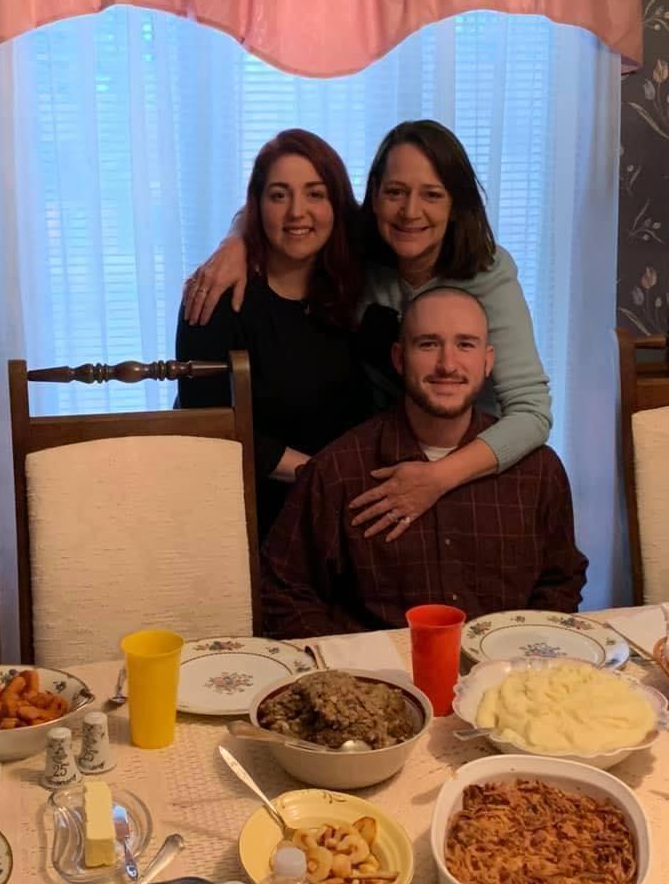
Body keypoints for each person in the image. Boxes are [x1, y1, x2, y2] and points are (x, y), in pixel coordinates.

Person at [182, 120, 551, 542]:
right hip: (369, 472)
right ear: (374, 197)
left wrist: (436, 478)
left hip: (467, 466)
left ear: (457, 203)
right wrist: (236, 240)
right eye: (395, 192)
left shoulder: (486, 273)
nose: (410, 212)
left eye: (432, 194)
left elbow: (532, 412)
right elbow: (298, 211)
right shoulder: (361, 256)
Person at [260, 287, 587, 639]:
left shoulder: (538, 472)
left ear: (488, 361)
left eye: (465, 345)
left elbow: (561, 581)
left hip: (505, 668)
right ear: (399, 358)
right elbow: (282, 592)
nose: (447, 365)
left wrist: (530, 652)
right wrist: (344, 663)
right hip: (377, 670)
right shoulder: (338, 471)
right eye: (428, 344)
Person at [175, 129, 370, 539]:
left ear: (336, 205)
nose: (297, 212)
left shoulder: (359, 286)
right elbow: (207, 422)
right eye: (279, 195)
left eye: (315, 194)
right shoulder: (213, 296)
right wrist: (320, 477)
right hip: (245, 512)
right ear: (258, 206)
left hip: (351, 507)